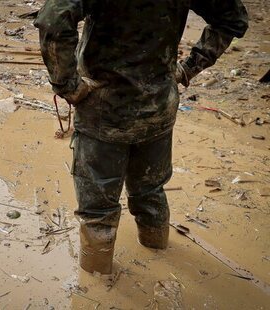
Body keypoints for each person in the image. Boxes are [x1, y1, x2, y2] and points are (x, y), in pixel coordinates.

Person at [35, 1, 248, 275]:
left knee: (98, 212)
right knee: (151, 193)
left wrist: (68, 86)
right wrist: (188, 68)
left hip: (103, 112)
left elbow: (53, 18)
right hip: (157, 106)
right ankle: (158, 257)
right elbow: (233, 18)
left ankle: (97, 284)